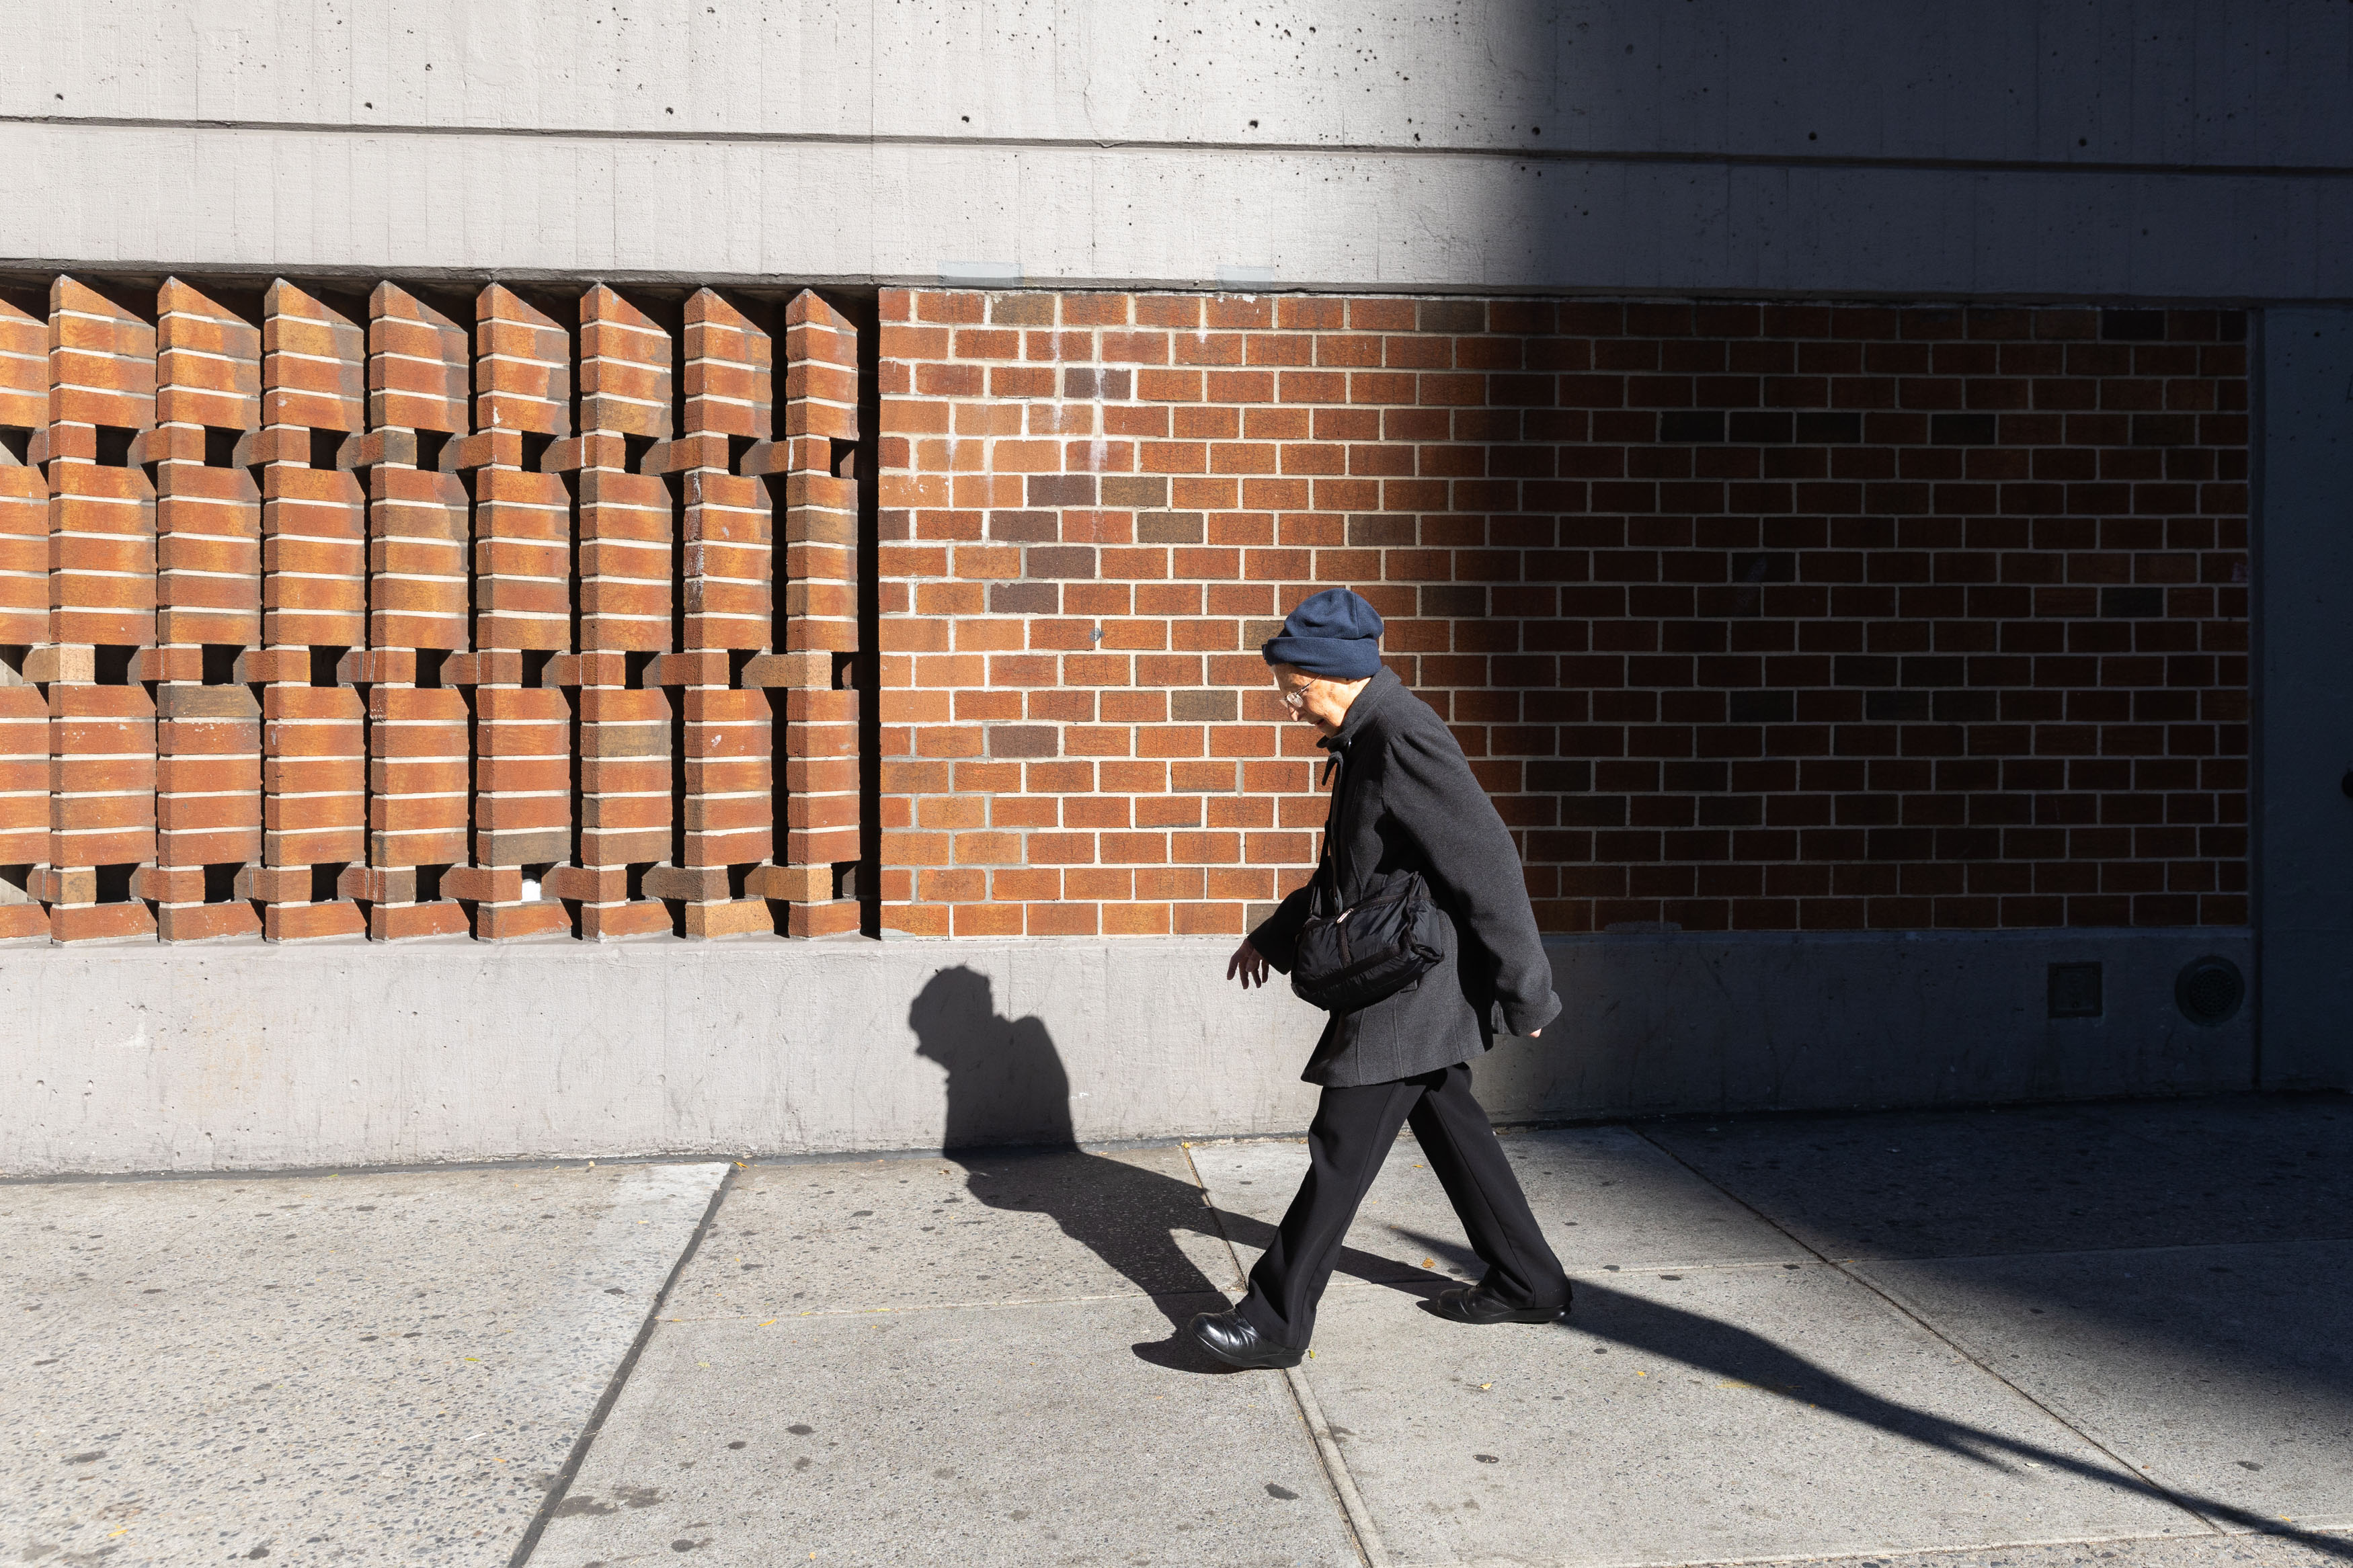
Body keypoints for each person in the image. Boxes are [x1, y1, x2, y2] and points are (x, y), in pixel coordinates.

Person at [1189, 587, 1572, 1370]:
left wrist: (1524, 985)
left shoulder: (1402, 736)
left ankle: (1272, 1320)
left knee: (1339, 1145)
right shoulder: (1366, 737)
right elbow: (1355, 872)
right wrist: (1275, 931)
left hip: (1409, 987)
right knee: (1450, 1126)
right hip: (1406, 975)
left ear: (1332, 675)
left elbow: (1487, 861)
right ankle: (1529, 1279)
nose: (1289, 707)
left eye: (1293, 690)